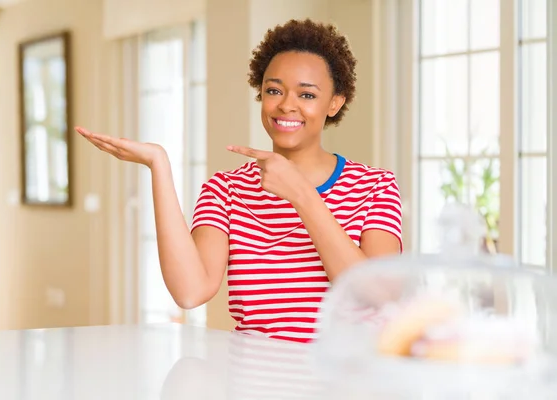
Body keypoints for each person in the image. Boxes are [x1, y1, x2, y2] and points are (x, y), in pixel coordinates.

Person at [76, 18, 402, 343]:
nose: (287, 104)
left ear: (335, 103)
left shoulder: (376, 187)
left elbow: (374, 297)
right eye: (274, 90)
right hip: (252, 381)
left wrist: (303, 196)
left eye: (307, 95)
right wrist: (158, 164)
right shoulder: (226, 190)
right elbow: (190, 292)